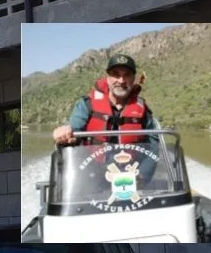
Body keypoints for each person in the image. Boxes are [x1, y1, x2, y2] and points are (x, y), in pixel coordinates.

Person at [52, 53, 161, 183]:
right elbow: (73, 131)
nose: (121, 81)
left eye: (126, 75)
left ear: (133, 78)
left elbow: (153, 145)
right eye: (116, 74)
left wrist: (142, 175)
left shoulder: (143, 109)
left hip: (131, 176)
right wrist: (64, 133)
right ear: (108, 78)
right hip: (91, 175)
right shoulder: (87, 104)